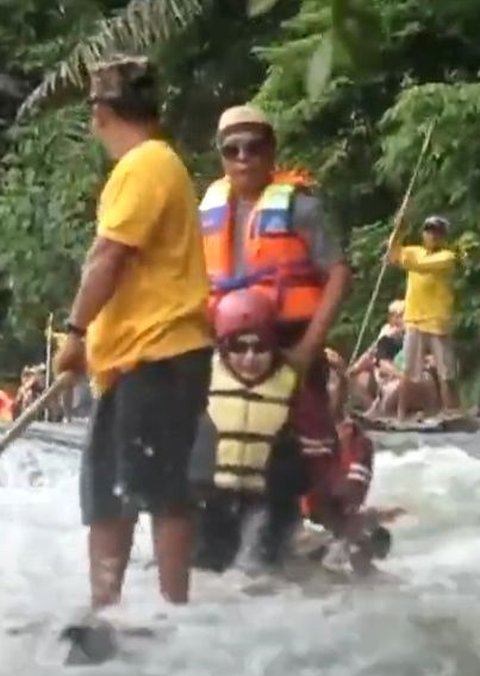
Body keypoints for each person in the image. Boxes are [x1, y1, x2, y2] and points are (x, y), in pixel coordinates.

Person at [54, 55, 212, 609]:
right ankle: (106, 609)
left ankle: (174, 610)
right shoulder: (156, 163)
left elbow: (107, 257)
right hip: (132, 359)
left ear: (100, 112)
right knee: (108, 491)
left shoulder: (145, 165)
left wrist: (74, 332)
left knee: (159, 486)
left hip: (160, 353)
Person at [199, 103, 352, 528]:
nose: (244, 158)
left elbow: (338, 273)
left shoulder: (302, 208)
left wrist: (309, 347)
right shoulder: (208, 211)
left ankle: (333, 517)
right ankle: (227, 525)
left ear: (271, 150)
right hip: (229, 347)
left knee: (310, 440)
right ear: (222, 156)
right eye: (233, 150)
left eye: (254, 147)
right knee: (232, 438)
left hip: (291, 340)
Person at [190, 289, 393, 575]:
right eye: (239, 347)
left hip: (279, 509)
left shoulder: (340, 432)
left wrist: (341, 518)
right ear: (223, 348)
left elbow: (332, 487)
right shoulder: (201, 381)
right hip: (216, 501)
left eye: (260, 348)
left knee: (265, 556)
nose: (249, 358)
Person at [387, 215, 460, 419]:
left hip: (438, 320)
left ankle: (450, 411)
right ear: (423, 233)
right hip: (414, 319)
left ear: (444, 235)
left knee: (446, 372)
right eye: (428, 230)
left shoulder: (448, 256)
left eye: (437, 231)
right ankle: (401, 415)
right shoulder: (414, 251)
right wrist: (399, 231)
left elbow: (419, 265)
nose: (432, 235)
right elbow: (392, 256)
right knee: (409, 371)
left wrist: (401, 252)